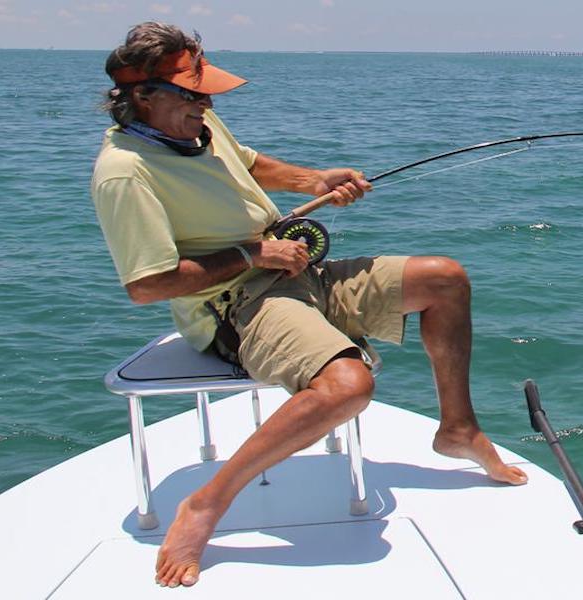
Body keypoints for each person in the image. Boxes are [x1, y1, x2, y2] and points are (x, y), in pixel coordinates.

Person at [92, 22, 528, 589]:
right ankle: (207, 503)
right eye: (193, 94)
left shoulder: (195, 124)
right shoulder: (125, 172)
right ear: (144, 95)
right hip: (236, 306)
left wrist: (314, 180)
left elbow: (247, 163)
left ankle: (459, 429)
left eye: (207, 93)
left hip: (296, 271)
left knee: (445, 278)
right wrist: (253, 253)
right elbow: (147, 286)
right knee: (349, 387)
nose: (208, 104)